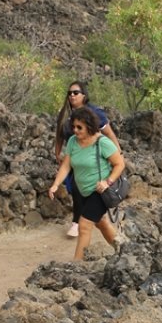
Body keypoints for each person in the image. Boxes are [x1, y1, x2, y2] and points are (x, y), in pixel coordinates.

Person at [48, 107, 126, 260]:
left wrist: (108, 182)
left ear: (89, 126)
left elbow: (120, 164)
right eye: (73, 127)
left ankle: (77, 265)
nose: (75, 131)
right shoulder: (72, 142)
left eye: (79, 127)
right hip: (83, 191)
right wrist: (56, 184)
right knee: (101, 222)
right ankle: (123, 249)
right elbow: (66, 165)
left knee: (84, 225)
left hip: (99, 191)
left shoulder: (102, 143)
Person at [52, 81, 120, 238]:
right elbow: (60, 135)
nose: (72, 96)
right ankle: (98, 222)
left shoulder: (95, 113)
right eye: (69, 93)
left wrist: (118, 152)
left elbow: (109, 134)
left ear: (84, 95)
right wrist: (57, 153)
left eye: (75, 92)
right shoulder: (65, 114)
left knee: (80, 189)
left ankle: (77, 223)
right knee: (76, 189)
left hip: (91, 158)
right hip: (74, 156)